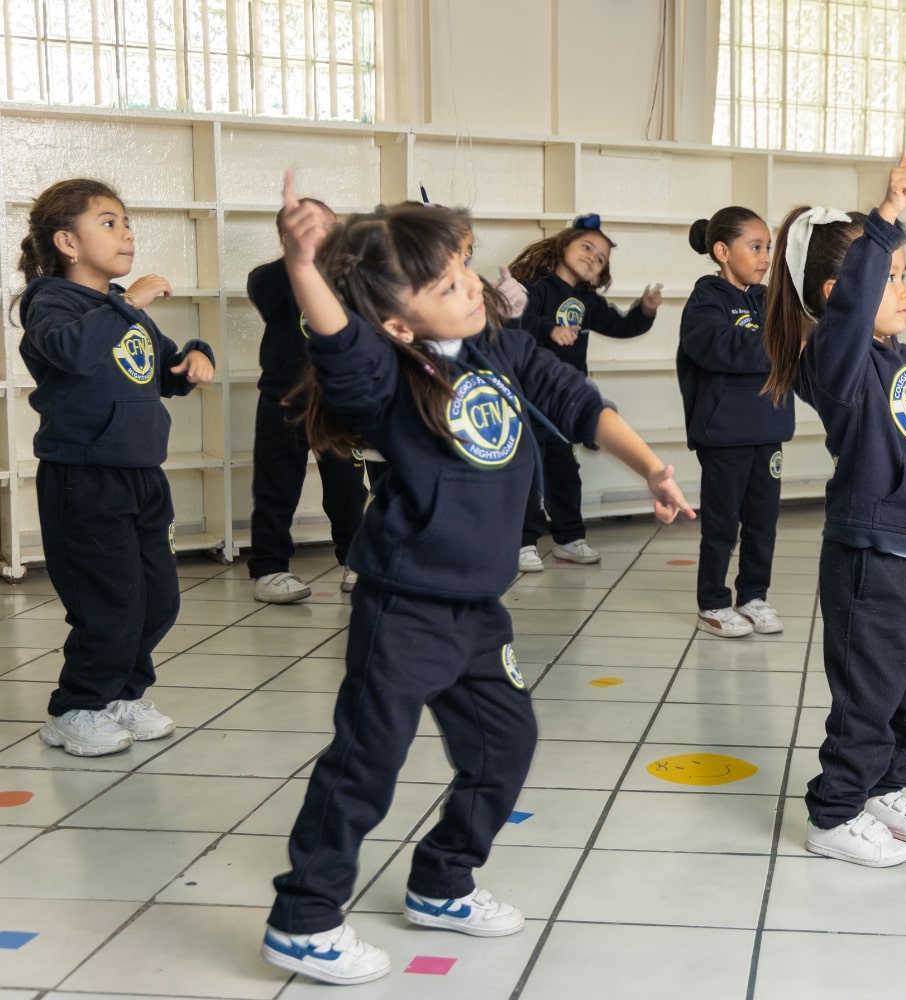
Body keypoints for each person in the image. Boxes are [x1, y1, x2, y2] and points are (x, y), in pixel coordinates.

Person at [261, 174, 695, 987]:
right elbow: (339, 349)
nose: (469, 288)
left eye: (464, 270)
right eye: (445, 285)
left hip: (477, 611)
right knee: (366, 764)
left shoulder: (499, 348)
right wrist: (303, 265)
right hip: (404, 606)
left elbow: (574, 397)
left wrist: (650, 468)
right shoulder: (388, 374)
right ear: (398, 320)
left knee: (506, 742)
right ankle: (304, 919)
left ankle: (441, 879)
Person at [762, 156, 906, 867]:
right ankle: (833, 814)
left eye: (904, 274)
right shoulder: (834, 359)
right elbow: (853, 310)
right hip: (870, 558)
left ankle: (883, 786)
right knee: (868, 693)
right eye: (891, 277)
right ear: (842, 292)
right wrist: (884, 216)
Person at [15, 178, 215, 757]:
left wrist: (194, 357)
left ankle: (122, 693)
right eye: (108, 222)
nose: (125, 232)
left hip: (141, 474)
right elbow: (74, 351)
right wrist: (127, 303)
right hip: (84, 476)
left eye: (126, 222)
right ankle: (75, 708)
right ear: (67, 242)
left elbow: (159, 371)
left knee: (158, 599)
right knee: (113, 602)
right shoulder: (49, 301)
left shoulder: (123, 309)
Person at [508, 214, 663, 572]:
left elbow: (623, 326)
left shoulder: (587, 301)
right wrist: (550, 330)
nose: (593, 258)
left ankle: (568, 537)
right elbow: (514, 320)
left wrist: (645, 311)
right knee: (528, 470)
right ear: (563, 244)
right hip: (526, 396)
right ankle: (523, 542)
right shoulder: (536, 286)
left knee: (564, 470)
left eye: (601, 259)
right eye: (587, 247)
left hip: (563, 400)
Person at [677, 207, 794, 637]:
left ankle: (753, 596)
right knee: (723, 524)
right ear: (723, 251)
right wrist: (779, 346)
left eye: (768, 248)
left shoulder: (768, 300)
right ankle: (712, 602)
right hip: (725, 434)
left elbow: (800, 337)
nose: (765, 257)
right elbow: (713, 346)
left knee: (763, 521)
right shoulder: (707, 298)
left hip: (769, 431)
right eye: (756, 247)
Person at [247, 198, 369, 603]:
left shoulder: (352, 279)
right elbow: (267, 294)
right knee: (276, 486)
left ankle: (357, 560)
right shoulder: (270, 277)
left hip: (337, 401)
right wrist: (299, 260)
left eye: (329, 227)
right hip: (283, 399)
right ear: (287, 238)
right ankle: (269, 568)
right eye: (307, 227)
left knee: (348, 487)